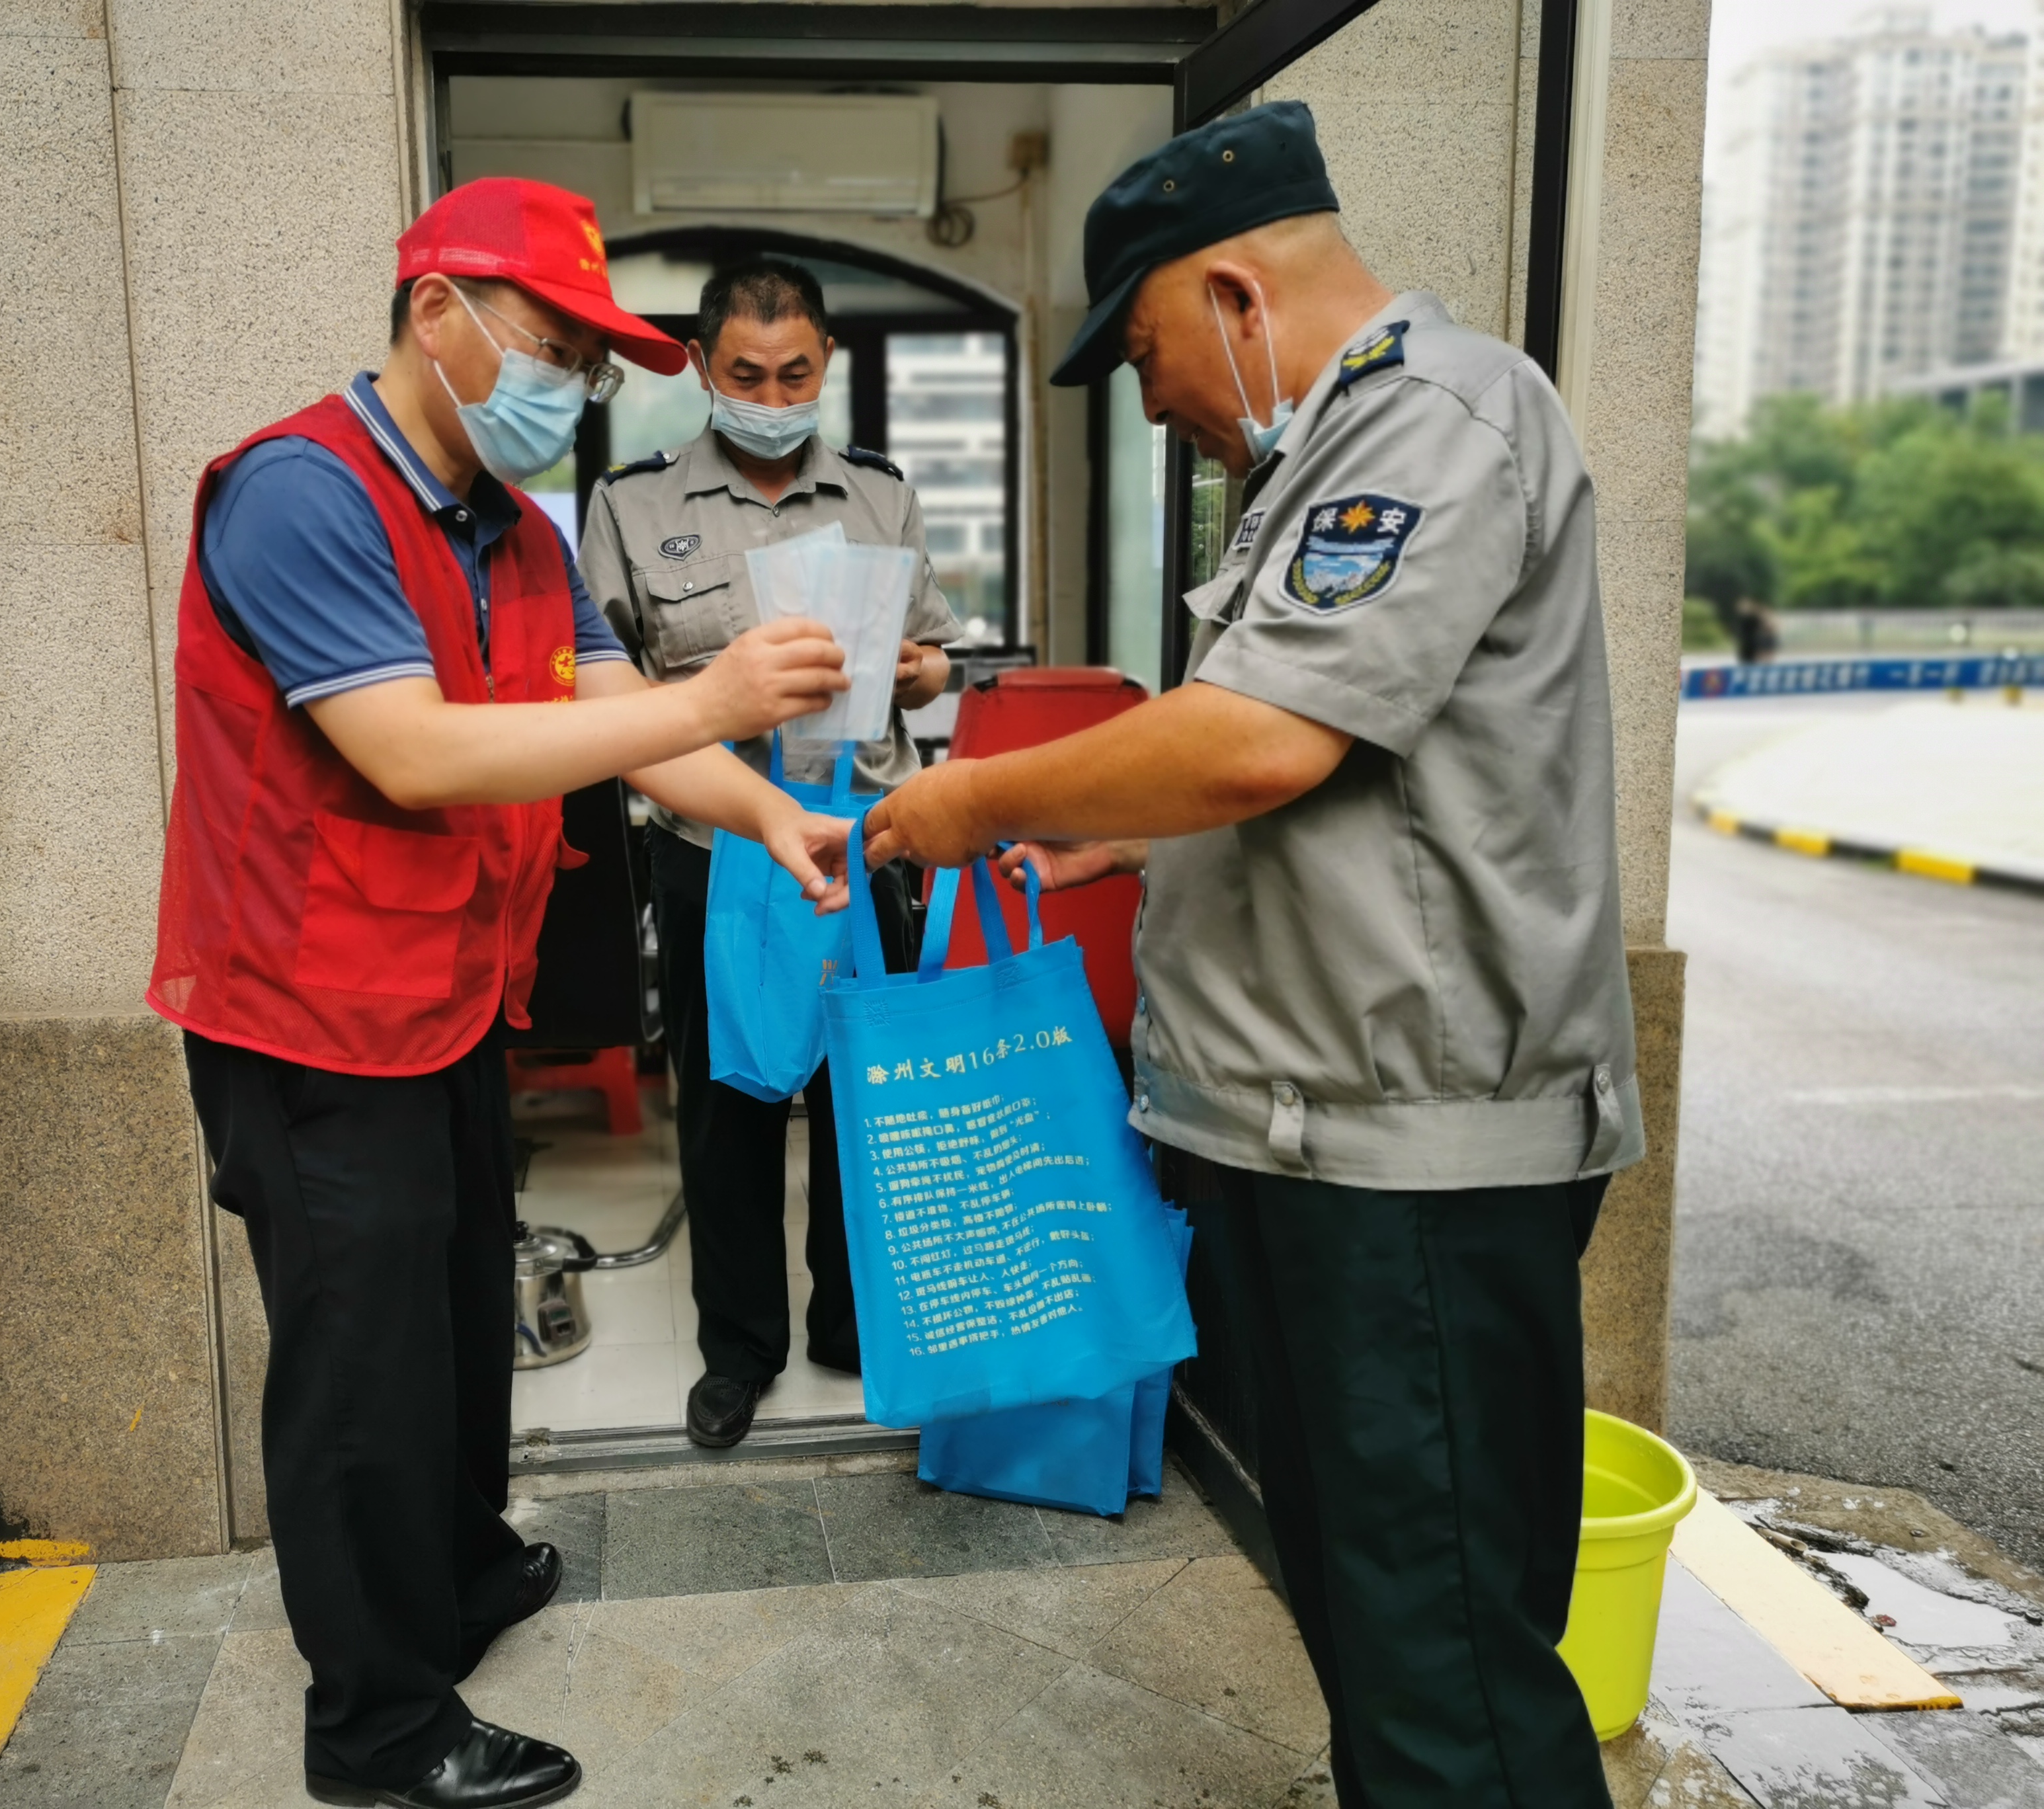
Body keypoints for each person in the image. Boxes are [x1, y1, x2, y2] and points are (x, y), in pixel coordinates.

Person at [864, 102, 1643, 1809]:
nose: (1153, 404)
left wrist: (975, 799)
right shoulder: (1319, 459)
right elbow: (1363, 771)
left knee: (1442, 1664)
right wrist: (1142, 838)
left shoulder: (1433, 419)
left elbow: (1260, 741)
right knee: (1381, 1621)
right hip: (1323, 1145)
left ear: (1233, 295)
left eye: (1145, 354)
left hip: (1410, 1169)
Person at [149, 180, 857, 1809]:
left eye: (592, 366)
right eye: (555, 346)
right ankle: (379, 1729)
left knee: (461, 1324)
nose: (571, 387)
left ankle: (461, 1575)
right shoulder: (300, 495)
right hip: (309, 1021)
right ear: (436, 311)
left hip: (450, 1000)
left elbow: (621, 716)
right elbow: (412, 749)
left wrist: (769, 811)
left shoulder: (524, 532)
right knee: (361, 1371)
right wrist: (718, 697)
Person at [580, 258, 962, 1449]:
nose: (773, 397)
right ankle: (739, 1351)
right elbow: (597, 688)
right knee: (727, 1106)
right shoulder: (634, 506)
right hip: (719, 841)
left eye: (796, 374)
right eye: (746, 376)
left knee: (866, 1094)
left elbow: (936, 655)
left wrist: (921, 670)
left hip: (865, 835)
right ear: (702, 367)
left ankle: (853, 1325)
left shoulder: (880, 494)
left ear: (826, 361)